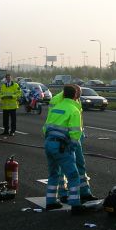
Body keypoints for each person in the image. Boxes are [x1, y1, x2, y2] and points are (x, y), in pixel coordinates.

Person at [42, 85, 86, 214]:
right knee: (73, 175)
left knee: (53, 174)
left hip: (49, 143)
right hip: (62, 146)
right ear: (74, 95)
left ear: (63, 94)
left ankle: (50, 202)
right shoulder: (74, 110)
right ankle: (75, 205)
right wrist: (71, 148)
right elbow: (75, 133)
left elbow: (45, 128)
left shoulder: (56, 107)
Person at [51, 85, 98, 203]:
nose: (78, 97)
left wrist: (80, 133)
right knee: (64, 167)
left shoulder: (75, 100)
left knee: (80, 163)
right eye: (78, 95)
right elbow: (53, 120)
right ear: (73, 93)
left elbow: (78, 119)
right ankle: (63, 193)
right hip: (63, 138)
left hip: (75, 136)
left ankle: (84, 191)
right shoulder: (57, 100)